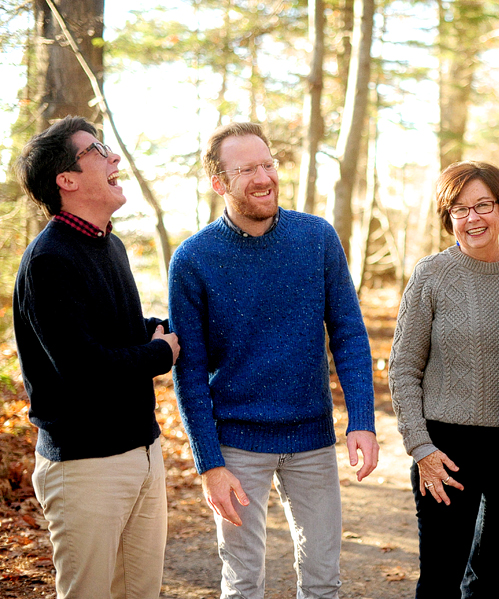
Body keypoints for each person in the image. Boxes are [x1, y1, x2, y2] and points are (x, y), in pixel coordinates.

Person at [168, 122, 379, 599]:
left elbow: (348, 334)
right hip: (237, 446)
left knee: (323, 580)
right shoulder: (193, 259)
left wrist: (361, 420)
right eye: (247, 169)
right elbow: (191, 373)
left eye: (269, 164)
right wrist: (209, 464)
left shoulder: (317, 238)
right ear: (219, 182)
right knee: (242, 582)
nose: (264, 178)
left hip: (312, 440)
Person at [13, 116, 180, 599]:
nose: (114, 158)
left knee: (141, 593)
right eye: (97, 150)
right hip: (86, 468)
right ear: (66, 180)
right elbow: (84, 368)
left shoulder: (111, 245)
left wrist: (151, 330)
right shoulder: (50, 260)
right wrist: (158, 353)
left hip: (143, 453)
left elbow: (110, 333)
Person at [388, 161, 499, 598]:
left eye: (483, 205)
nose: (473, 218)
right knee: (440, 577)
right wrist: (421, 449)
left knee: (488, 575)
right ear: (448, 217)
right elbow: (402, 368)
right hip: (446, 449)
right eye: (460, 209)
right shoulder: (431, 275)